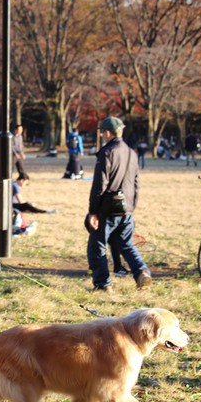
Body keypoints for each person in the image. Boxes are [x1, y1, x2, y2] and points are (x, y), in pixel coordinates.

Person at [86, 117, 152, 291]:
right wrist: (131, 207)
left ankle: (102, 284)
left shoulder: (107, 152)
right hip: (127, 208)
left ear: (107, 132)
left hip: (108, 208)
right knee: (127, 245)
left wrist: (93, 211)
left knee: (97, 245)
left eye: (102, 132)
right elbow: (136, 183)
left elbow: (100, 184)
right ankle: (141, 272)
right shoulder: (132, 153)